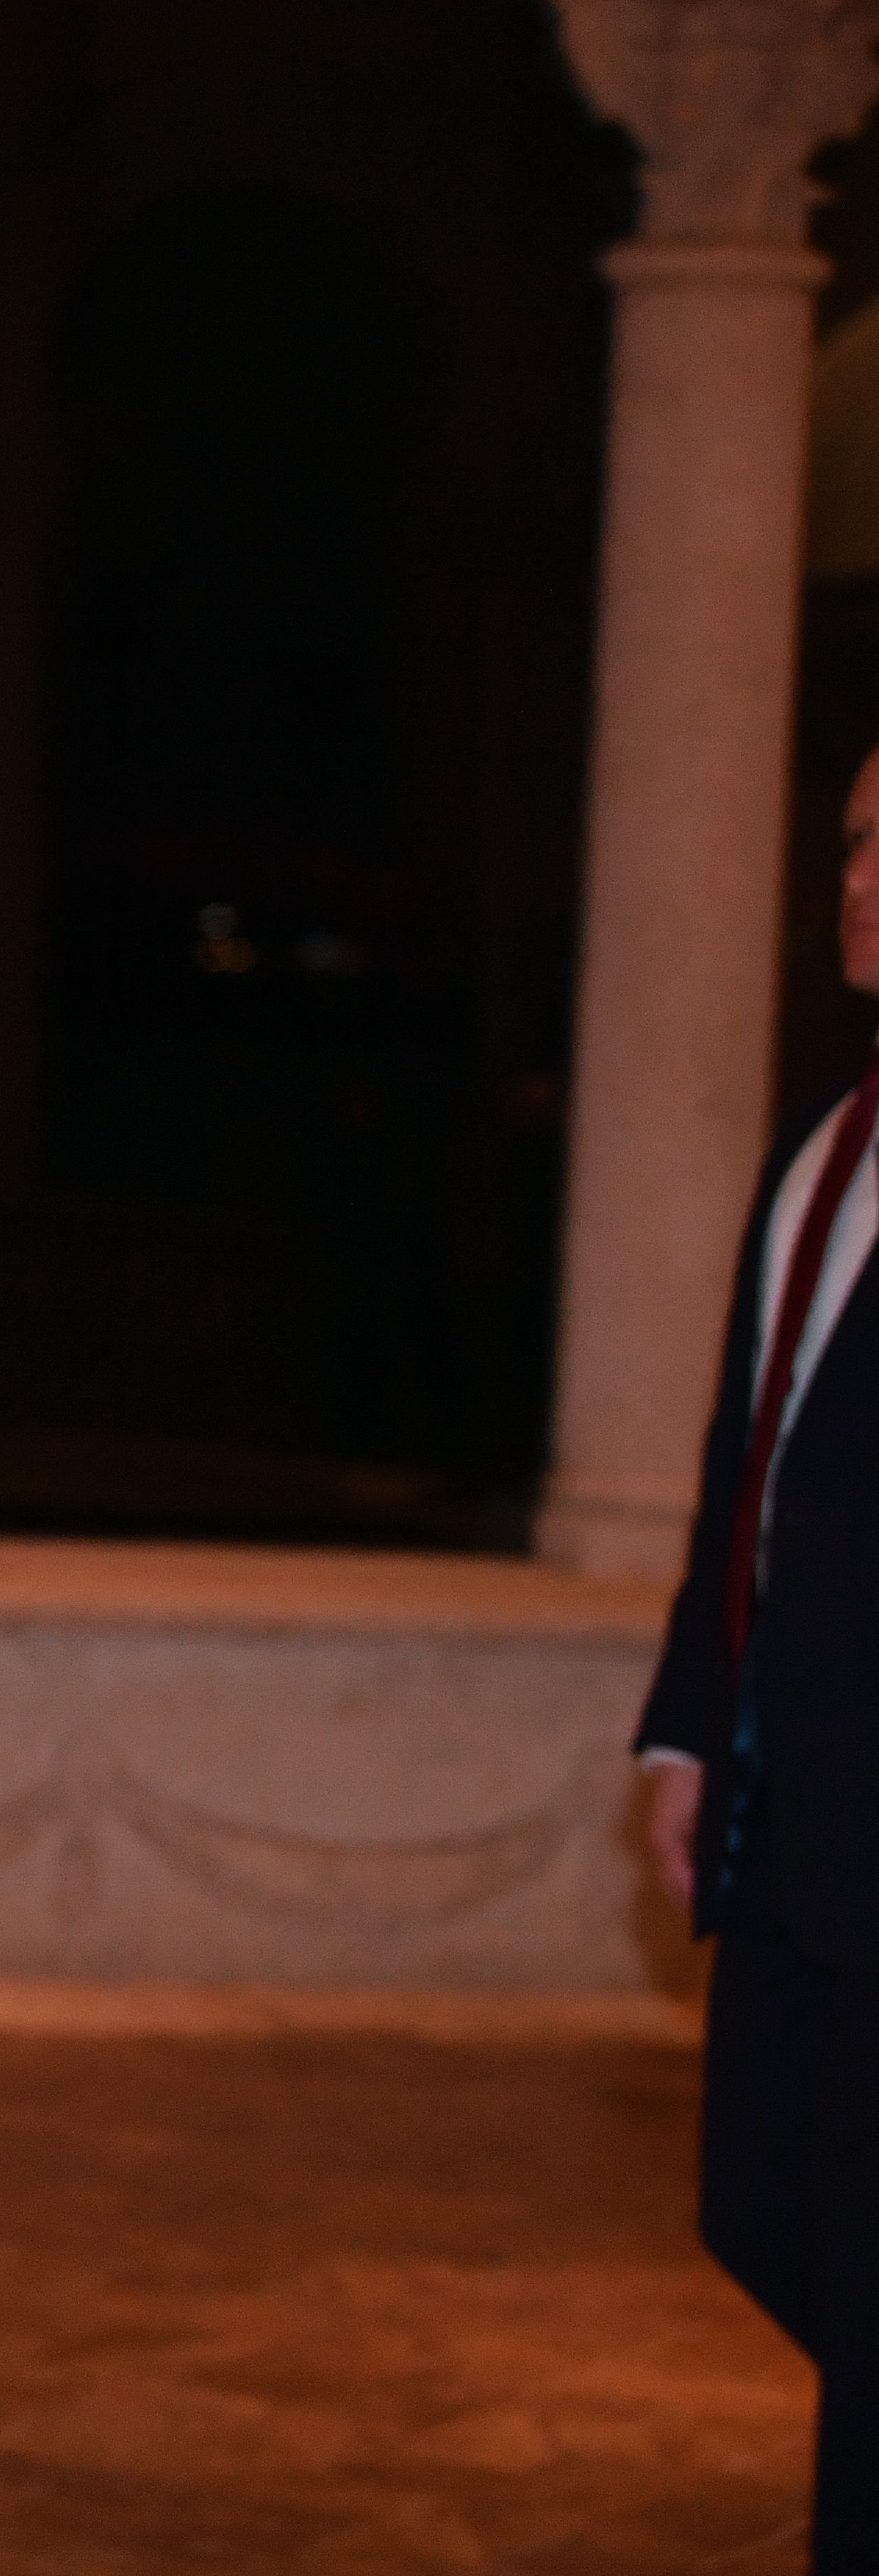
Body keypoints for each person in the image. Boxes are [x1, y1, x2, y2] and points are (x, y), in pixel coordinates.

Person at [638, 741, 879, 2574]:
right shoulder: (826, 1143)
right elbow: (751, 1467)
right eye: (864, 841)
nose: (867, 876)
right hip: (788, 1814)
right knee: (756, 2205)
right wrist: (682, 1736)